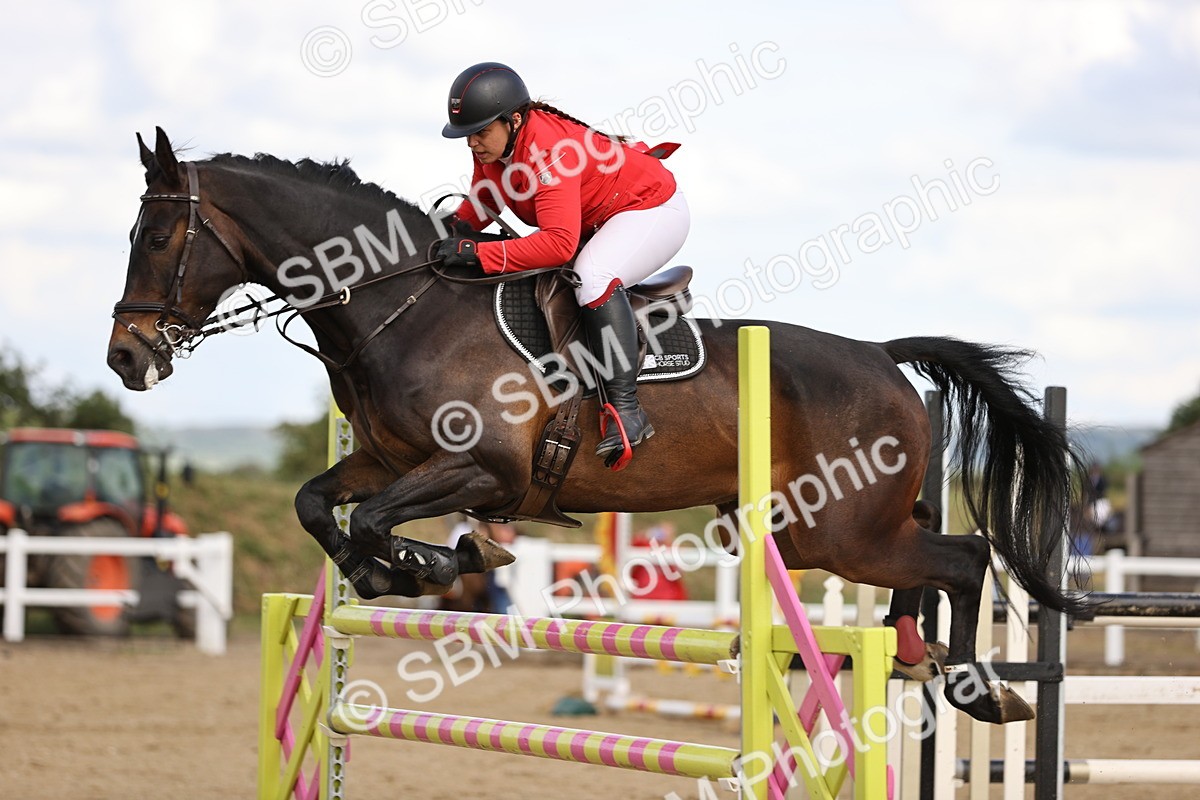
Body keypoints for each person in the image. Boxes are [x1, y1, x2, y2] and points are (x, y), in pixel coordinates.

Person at [435, 62, 691, 468]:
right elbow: (483, 204)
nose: (473, 143)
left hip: (652, 210)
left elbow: (558, 245)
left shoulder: (550, 152)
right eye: (467, 134)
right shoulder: (496, 147)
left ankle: (627, 411)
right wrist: (440, 235)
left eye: (480, 132)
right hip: (603, 217)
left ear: (513, 120)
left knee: (591, 276)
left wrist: (480, 254)